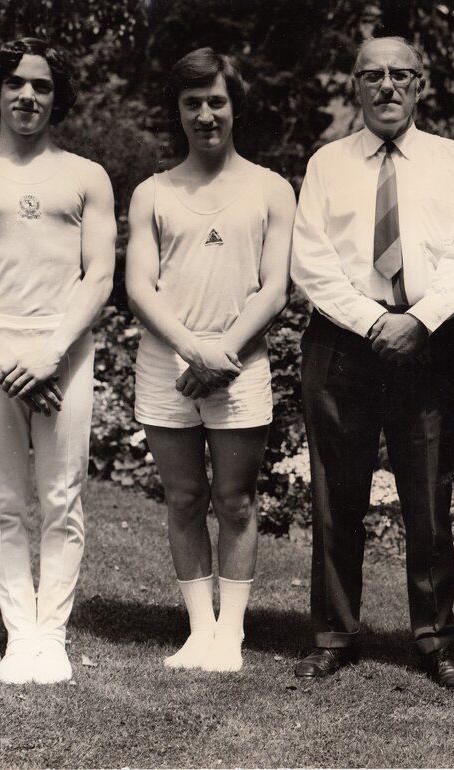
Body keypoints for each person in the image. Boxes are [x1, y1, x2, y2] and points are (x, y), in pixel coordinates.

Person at [290, 36, 454, 690]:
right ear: (355, 85)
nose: (387, 87)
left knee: (426, 499)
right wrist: (376, 321)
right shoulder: (326, 164)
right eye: (372, 76)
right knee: (334, 496)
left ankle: (434, 643)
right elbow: (311, 264)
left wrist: (417, 322)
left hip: (427, 344)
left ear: (422, 84)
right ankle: (333, 635)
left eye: (401, 75)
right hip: (342, 342)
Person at [0, 37, 116, 684]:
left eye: (40, 85)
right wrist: (11, 354)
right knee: (5, 499)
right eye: (15, 83)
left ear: (56, 96)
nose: (27, 95)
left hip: (63, 347)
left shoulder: (85, 176)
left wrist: (48, 352)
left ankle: (52, 635)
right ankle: (20, 636)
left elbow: (97, 277)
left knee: (63, 497)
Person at [125, 48, 295, 673]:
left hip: (241, 366)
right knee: (183, 496)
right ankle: (199, 632)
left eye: (216, 101)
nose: (205, 115)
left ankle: (232, 634)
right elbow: (141, 286)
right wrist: (193, 349)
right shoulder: (152, 193)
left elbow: (275, 287)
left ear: (234, 106)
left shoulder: (271, 188)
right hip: (166, 364)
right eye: (192, 103)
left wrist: (222, 353)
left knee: (236, 498)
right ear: (178, 111)